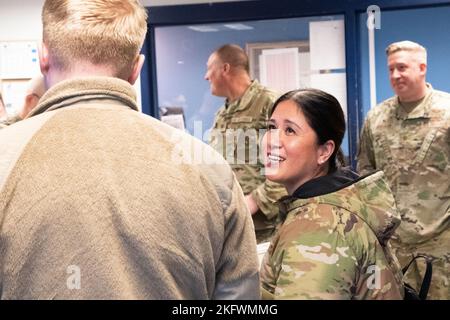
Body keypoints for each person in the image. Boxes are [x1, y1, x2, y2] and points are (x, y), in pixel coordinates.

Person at [0, 0, 260, 299]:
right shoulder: (209, 171)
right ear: (137, 68)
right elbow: (239, 299)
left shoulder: (5, 157)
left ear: (43, 56)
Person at [259, 88, 404, 299]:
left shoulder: (319, 228)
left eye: (290, 130)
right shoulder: (335, 202)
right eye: (271, 127)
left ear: (324, 151)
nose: (272, 140)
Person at [357, 41, 450, 300]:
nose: (395, 75)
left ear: (422, 68)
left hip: (441, 247)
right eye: (390, 69)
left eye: (402, 68)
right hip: (391, 246)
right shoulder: (376, 118)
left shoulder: (447, 112)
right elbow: (365, 175)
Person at [205, 44, 288, 243]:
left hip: (265, 227)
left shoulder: (269, 102)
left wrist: (256, 201)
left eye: (209, 69)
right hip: (230, 223)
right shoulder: (222, 114)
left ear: (225, 69)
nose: (206, 76)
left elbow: (289, 162)